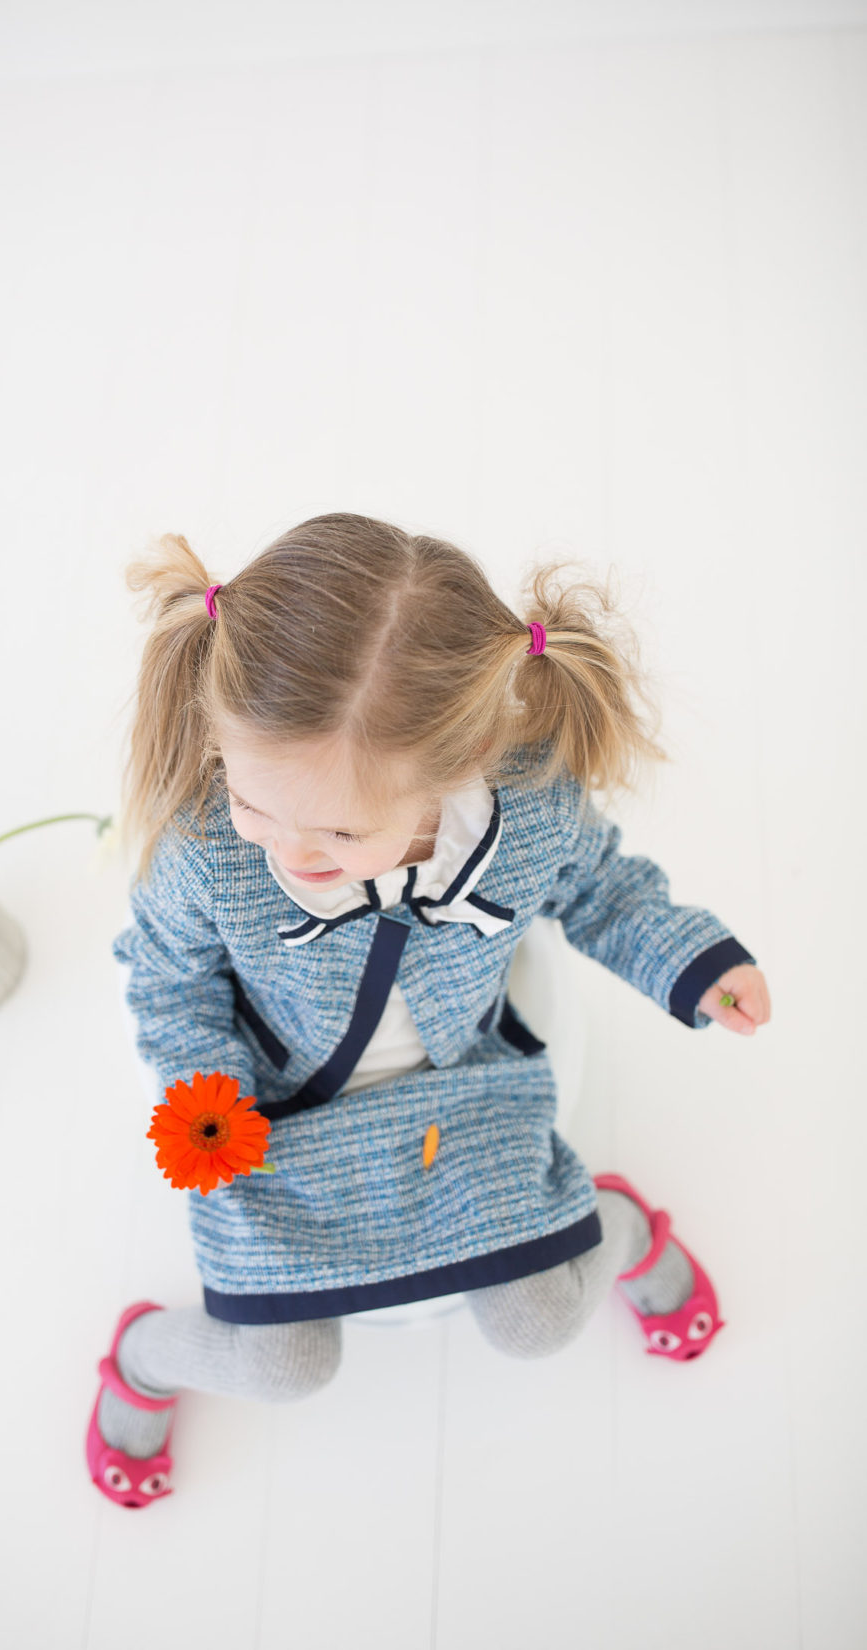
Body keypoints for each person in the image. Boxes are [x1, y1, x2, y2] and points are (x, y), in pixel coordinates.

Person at [86, 512, 771, 1510]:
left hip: (464, 1088)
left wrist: (689, 961)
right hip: (282, 1112)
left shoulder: (531, 809)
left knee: (536, 1321)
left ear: (460, 766)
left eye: (336, 831)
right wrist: (211, 1097)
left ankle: (621, 1227)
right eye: (254, 802)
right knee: (285, 1364)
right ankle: (144, 1358)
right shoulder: (205, 851)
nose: (287, 853)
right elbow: (164, 980)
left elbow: (601, 891)